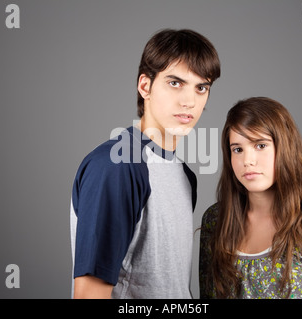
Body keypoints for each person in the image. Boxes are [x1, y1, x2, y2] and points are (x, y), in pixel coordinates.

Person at [70, 29, 221, 298]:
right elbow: (89, 294)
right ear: (145, 86)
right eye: (175, 83)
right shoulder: (117, 166)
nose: (189, 101)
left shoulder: (185, 176)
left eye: (201, 87)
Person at [199, 97, 302, 299]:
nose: (247, 161)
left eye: (260, 145)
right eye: (237, 149)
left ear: (285, 148)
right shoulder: (215, 220)